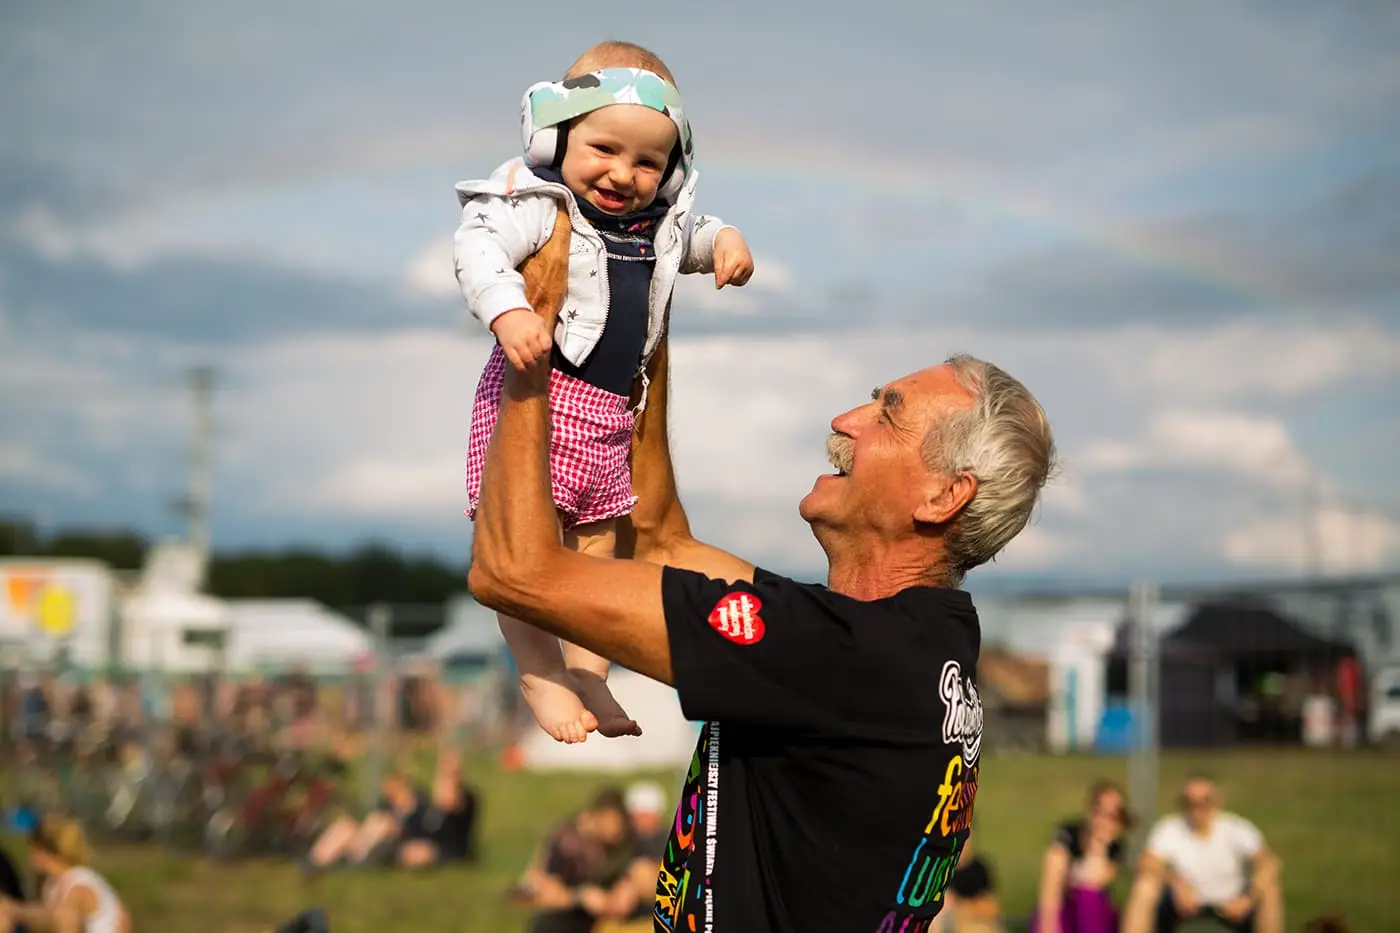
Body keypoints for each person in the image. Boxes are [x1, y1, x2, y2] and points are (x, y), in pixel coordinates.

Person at [468, 221, 1056, 932]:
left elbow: (513, 571)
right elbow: (657, 540)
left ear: (942, 496)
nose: (847, 419)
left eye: (889, 414)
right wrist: (645, 284)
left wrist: (531, 342)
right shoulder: (908, 643)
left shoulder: (844, 657)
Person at [454, 39, 755, 745]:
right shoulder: (540, 202)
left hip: (611, 415)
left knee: (600, 547)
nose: (624, 173)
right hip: (542, 399)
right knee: (520, 544)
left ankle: (590, 669)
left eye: (648, 162)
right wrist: (509, 311)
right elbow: (478, 246)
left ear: (671, 169)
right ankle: (539, 671)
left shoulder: (655, 223)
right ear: (555, 137)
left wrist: (726, 242)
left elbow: (691, 238)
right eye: (605, 149)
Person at [1121, 776, 1283, 933]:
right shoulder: (1169, 828)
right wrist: (1176, 884)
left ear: (1217, 802)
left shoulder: (1236, 828)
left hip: (1231, 901)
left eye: (1204, 801)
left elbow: (1269, 863)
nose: (1196, 808)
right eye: (1189, 802)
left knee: (1270, 890)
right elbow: (1147, 863)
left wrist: (1248, 898)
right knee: (1145, 885)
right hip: (1183, 903)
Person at [512, 787, 636, 933]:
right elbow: (542, 889)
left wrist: (628, 886)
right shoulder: (565, 842)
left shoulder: (620, 843)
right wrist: (581, 898)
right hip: (570, 913)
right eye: (617, 823)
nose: (619, 831)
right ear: (602, 817)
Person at [1030, 780, 1132, 933]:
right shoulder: (1068, 834)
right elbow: (1053, 876)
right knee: (1056, 862)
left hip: (1093, 914)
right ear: (1091, 811)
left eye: (1114, 816)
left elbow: (1094, 878)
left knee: (1088, 893)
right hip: (1063, 911)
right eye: (1101, 812)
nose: (1105, 821)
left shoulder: (1115, 848)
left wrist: (1099, 845)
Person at [0, 817, 130, 933]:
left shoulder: (79, 884)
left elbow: (64, 922)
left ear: (41, 850)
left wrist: (16, 911)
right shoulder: (53, 884)